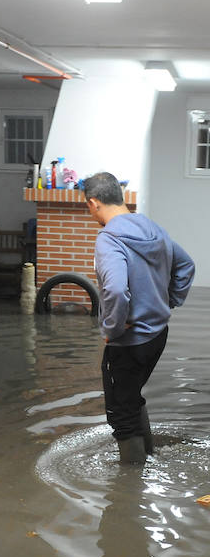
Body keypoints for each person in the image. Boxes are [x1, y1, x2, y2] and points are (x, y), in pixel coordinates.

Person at [83, 171, 195, 464]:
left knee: (121, 412)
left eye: (88, 207)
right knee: (132, 398)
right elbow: (186, 266)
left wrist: (112, 328)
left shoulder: (109, 239)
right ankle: (148, 459)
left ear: (94, 203)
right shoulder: (152, 228)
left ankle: (130, 487)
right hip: (158, 334)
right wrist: (168, 301)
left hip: (129, 342)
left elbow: (117, 291)